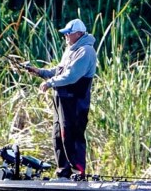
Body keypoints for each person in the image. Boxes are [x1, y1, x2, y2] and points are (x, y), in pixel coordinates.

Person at [22, 18, 97, 178]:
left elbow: (71, 76)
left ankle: (78, 174)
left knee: (71, 137)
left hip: (75, 102)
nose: (65, 36)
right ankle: (63, 173)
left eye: (68, 33)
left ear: (78, 34)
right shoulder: (71, 49)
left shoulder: (86, 51)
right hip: (62, 101)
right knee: (58, 136)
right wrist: (40, 72)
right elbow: (60, 70)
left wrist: (49, 83)